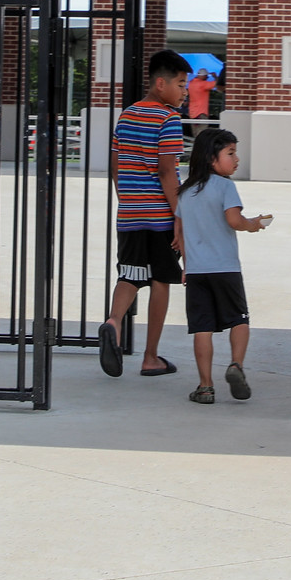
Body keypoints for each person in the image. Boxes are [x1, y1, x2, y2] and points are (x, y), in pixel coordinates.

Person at [100, 49, 192, 379]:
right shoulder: (168, 120)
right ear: (160, 83)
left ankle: (113, 322)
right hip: (160, 217)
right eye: (181, 84)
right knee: (161, 281)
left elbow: (115, 167)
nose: (185, 92)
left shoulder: (126, 116)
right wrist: (179, 217)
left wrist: (127, 201)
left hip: (129, 213)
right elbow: (168, 172)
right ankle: (151, 357)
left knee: (129, 275)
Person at [175, 128, 271, 404]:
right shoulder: (226, 187)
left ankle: (205, 387)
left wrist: (185, 264)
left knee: (202, 328)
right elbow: (233, 220)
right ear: (210, 158)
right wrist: (252, 224)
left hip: (196, 271)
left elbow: (180, 232)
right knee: (238, 320)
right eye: (230, 153)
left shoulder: (185, 191)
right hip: (225, 269)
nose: (236, 159)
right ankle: (235, 365)